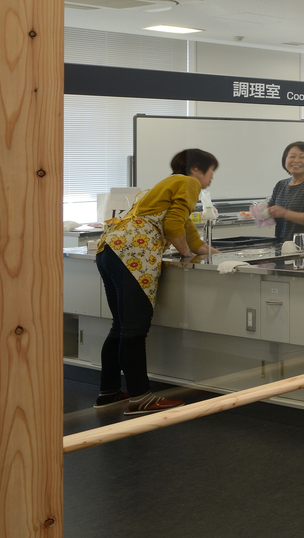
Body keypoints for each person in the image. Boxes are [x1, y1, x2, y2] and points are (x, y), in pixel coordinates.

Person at [94, 148, 220, 416]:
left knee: (120, 326)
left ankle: (109, 392)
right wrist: (185, 255)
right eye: (211, 172)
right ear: (196, 169)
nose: (211, 179)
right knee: (133, 330)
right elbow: (173, 227)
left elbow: (189, 234)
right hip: (131, 254)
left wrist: (214, 253)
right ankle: (141, 398)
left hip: (110, 250)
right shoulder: (189, 182)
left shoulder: (166, 185)